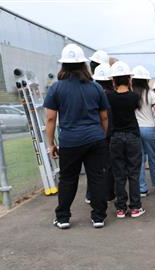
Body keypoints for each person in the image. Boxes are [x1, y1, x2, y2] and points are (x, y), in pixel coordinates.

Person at [44, 44, 109, 229]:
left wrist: (51, 144)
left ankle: (63, 217)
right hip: (95, 138)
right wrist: (101, 137)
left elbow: (50, 119)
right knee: (96, 177)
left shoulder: (57, 88)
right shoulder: (95, 88)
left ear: (63, 65)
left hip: (70, 141)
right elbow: (104, 117)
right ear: (84, 65)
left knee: (68, 179)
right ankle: (98, 217)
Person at [107, 61, 146, 218]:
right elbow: (136, 108)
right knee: (134, 173)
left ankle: (121, 208)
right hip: (132, 136)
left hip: (115, 137)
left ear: (113, 80)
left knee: (119, 174)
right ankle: (135, 207)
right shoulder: (134, 97)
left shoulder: (108, 97)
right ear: (129, 79)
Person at [131, 66, 155, 197]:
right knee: (153, 157)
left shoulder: (131, 94)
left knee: (138, 159)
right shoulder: (150, 94)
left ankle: (142, 188)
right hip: (149, 128)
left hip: (135, 129)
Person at [84, 49, 111, 204]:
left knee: (93, 166)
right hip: (104, 131)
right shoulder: (99, 87)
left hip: (94, 131)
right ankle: (105, 193)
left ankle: (92, 194)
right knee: (103, 165)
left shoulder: (90, 85)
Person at [92, 64, 117, 202]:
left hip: (98, 133)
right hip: (113, 132)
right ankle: (110, 192)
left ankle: (96, 194)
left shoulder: (94, 95)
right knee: (111, 164)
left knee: (97, 166)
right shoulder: (114, 95)